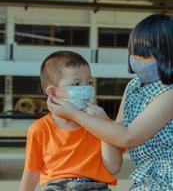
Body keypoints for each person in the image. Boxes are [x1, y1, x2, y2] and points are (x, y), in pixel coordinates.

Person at [48, 14, 173, 190]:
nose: (136, 59)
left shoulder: (171, 95)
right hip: (153, 178)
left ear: (169, 56)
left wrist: (76, 115)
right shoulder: (134, 87)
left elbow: (127, 137)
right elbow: (116, 138)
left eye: (145, 54)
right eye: (134, 53)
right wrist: (102, 120)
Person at [19, 51, 123, 191]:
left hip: (96, 186)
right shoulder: (39, 129)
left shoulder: (101, 123)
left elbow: (113, 167)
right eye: (76, 84)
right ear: (53, 93)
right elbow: (31, 172)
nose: (86, 88)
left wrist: (103, 124)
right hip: (57, 186)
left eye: (89, 82)